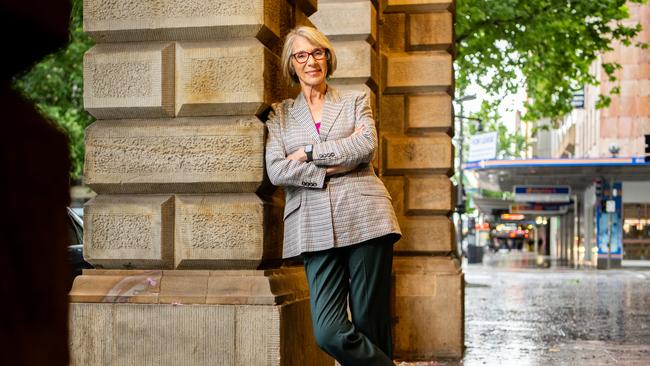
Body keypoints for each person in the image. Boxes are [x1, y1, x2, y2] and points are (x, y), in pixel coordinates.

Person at [265, 26, 401, 366]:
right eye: (302, 55)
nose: (311, 61)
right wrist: (336, 165)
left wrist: (309, 152)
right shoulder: (280, 115)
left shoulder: (355, 101)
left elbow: (366, 146)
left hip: (366, 216)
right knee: (327, 331)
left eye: (318, 53)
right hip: (311, 224)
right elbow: (277, 171)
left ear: (328, 57)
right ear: (291, 64)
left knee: (371, 322)